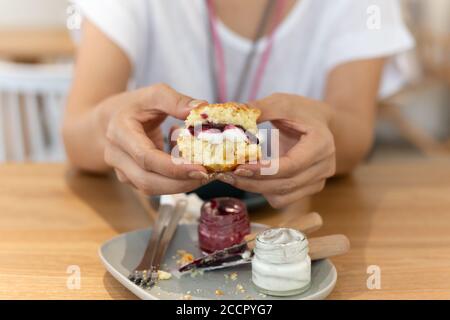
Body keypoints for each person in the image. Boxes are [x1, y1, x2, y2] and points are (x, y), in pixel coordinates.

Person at [63, 0, 414, 208]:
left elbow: (354, 133)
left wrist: (328, 129)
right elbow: (76, 133)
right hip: (151, 220)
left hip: (293, 222)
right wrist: (113, 126)